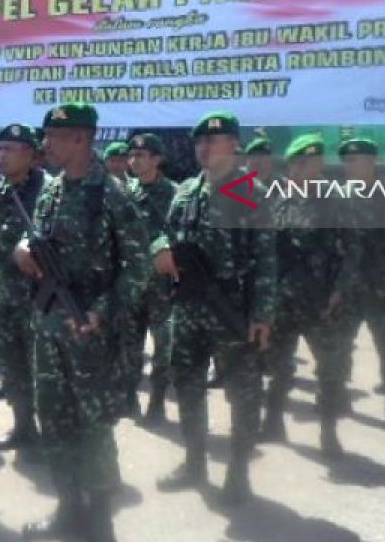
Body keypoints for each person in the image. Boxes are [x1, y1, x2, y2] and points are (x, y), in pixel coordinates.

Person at [15, 103, 151, 542]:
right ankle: (69, 510)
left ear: (80, 139)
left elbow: (139, 268)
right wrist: (22, 247)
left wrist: (101, 311)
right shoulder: (51, 190)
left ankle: (99, 523)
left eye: (53, 137)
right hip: (49, 328)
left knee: (93, 429)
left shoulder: (112, 195)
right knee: (54, 421)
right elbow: (36, 235)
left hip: (89, 334)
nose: (45, 144)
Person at [152, 111, 275, 506]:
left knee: (243, 393)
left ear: (234, 145)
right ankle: (194, 464)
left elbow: (266, 258)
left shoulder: (248, 191)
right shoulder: (186, 189)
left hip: (231, 309)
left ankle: (238, 473)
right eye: (200, 141)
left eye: (214, 140)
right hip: (187, 307)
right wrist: (160, 250)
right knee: (186, 386)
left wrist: (262, 314)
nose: (204, 147)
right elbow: (165, 234)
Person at [261, 134, 355, 458]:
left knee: (329, 368)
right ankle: (273, 421)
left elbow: (352, 253)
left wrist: (340, 290)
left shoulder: (337, 201)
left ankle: (328, 432)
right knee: (278, 362)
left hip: (322, 301)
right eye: (298, 163)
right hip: (283, 300)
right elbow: (267, 252)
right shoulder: (278, 200)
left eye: (310, 163)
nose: (304, 169)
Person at [337, 138, 385, 425]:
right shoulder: (338, 196)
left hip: (378, 283)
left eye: (356, 160)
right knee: (340, 343)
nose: (350, 166)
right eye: (347, 161)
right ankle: (339, 393)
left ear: (372, 162)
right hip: (346, 286)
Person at [0, 123, 49, 457]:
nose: (2, 156)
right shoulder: (0, 188)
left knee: (40, 366)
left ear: (30, 153)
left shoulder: (48, 190)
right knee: (10, 364)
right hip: (6, 289)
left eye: (10, 149)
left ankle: (46, 435)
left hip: (38, 295)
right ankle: (22, 427)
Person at [124, 132, 178, 425]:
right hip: (131, 286)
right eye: (131, 155)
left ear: (157, 160)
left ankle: (157, 401)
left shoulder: (174, 193)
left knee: (163, 348)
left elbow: (182, 234)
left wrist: (163, 248)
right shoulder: (124, 192)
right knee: (129, 347)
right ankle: (129, 398)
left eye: (141, 156)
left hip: (162, 288)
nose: (134, 160)